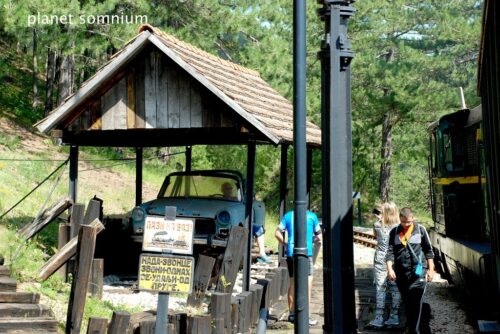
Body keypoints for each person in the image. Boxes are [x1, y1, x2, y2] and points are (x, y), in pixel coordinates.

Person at [386, 207, 435, 334]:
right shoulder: (395, 232)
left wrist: (431, 270)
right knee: (407, 302)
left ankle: (415, 330)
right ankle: (410, 326)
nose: (406, 224)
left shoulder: (421, 230)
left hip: (418, 273)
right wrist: (389, 269)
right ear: (399, 220)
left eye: (408, 222)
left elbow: (429, 251)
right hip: (401, 274)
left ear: (412, 218)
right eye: (403, 222)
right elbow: (390, 253)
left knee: (416, 302)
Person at [275, 210, 322, 326]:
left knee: (292, 282)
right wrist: (311, 241)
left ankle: (291, 314)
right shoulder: (312, 216)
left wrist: (286, 244)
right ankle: (305, 316)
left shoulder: (288, 216)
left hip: (291, 253)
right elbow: (319, 236)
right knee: (308, 283)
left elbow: (277, 233)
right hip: (307, 253)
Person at [368, 203, 401, 328]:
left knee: (380, 288)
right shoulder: (399, 227)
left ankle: (379, 318)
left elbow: (377, 237)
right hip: (395, 261)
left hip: (381, 260)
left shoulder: (377, 225)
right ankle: (394, 316)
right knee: (395, 288)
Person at [221, 182, 272, 264]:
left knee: (259, 229)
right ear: (222, 190)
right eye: (227, 189)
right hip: (225, 225)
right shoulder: (220, 200)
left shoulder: (237, 199)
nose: (229, 190)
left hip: (242, 223)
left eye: (230, 189)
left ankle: (262, 253)